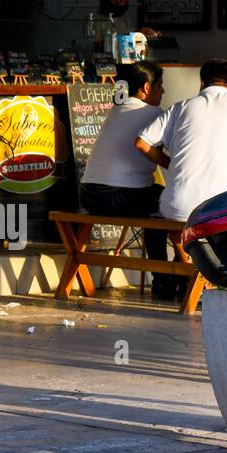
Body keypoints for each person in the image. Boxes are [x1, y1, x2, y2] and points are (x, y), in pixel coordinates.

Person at [135, 56, 227, 223]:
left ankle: (183, 249)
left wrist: (170, 164)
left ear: (202, 83)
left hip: (176, 208)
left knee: (175, 220)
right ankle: (194, 249)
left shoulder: (179, 107)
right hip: (223, 208)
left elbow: (142, 143)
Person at [79, 61, 169, 290]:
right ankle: (165, 279)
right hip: (119, 197)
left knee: (157, 200)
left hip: (89, 195)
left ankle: (166, 277)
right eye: (160, 86)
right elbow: (172, 150)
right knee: (168, 202)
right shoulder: (154, 114)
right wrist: (172, 164)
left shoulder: (117, 109)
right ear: (147, 88)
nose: (163, 91)